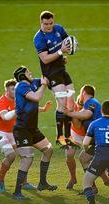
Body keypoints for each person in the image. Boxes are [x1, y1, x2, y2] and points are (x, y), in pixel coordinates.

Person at [0, 78, 53, 193]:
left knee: (25, 156)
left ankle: (24, 183)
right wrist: (17, 110)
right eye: (12, 89)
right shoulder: (2, 102)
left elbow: (27, 108)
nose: (15, 91)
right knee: (11, 156)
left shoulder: (18, 98)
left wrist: (43, 109)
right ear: (6, 90)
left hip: (15, 132)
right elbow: (4, 116)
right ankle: (0, 180)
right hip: (0, 133)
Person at [11, 66, 57, 200]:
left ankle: (42, 183)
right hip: (22, 130)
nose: (30, 73)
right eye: (27, 72)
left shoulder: (34, 82)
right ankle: (17, 192)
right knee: (28, 159)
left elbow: (47, 76)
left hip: (32, 129)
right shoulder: (20, 86)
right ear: (22, 76)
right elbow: (36, 97)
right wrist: (43, 85)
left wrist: (58, 62)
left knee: (48, 150)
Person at [33, 10, 76, 147]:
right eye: (46, 24)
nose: (49, 26)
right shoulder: (39, 38)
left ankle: (69, 136)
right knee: (62, 102)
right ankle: (60, 136)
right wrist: (60, 52)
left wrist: (69, 50)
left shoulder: (59, 29)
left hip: (62, 70)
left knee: (71, 102)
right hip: (51, 73)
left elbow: (68, 43)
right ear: (41, 22)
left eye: (51, 23)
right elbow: (45, 59)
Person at [63, 84, 109, 192]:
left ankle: (106, 181)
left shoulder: (89, 104)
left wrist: (71, 114)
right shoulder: (73, 106)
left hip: (90, 136)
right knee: (72, 156)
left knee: (90, 159)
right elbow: (75, 126)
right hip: (79, 135)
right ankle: (76, 180)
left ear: (83, 93)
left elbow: (83, 119)